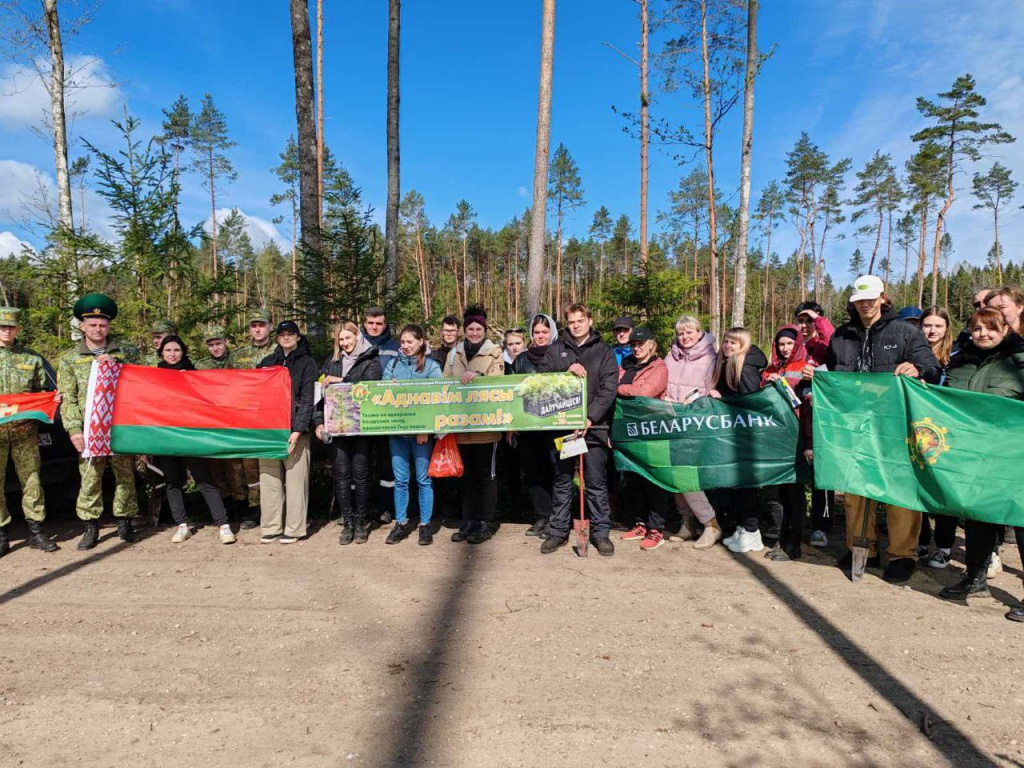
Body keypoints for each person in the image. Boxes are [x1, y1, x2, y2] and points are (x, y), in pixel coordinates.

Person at [818, 274, 941, 584]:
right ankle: (863, 547)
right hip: (855, 424)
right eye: (859, 298)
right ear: (852, 301)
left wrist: (917, 368)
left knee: (899, 489)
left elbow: (931, 366)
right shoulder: (842, 336)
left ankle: (902, 554)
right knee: (856, 488)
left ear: (884, 297)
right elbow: (831, 373)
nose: (866, 303)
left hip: (896, 423)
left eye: (871, 297)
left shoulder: (904, 331)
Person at [937, 308, 1024, 623]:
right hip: (973, 455)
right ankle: (974, 580)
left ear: (1004, 329)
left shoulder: (1019, 361)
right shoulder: (960, 362)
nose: (983, 334)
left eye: (990, 328)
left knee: (1020, 520)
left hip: (1012, 454)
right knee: (977, 517)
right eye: (976, 329)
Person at [57, 293, 141, 550]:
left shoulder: (127, 352)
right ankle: (90, 526)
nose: (98, 329)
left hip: (120, 425)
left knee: (125, 475)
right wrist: (73, 429)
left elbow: (143, 382)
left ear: (109, 327)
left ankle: (125, 521)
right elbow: (67, 398)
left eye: (102, 325)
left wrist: (119, 365)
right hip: (89, 429)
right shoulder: (69, 358)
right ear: (82, 326)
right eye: (92, 324)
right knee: (90, 476)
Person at [537, 303, 618, 556]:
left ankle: (601, 533)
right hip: (563, 428)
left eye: (580, 320)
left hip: (593, 429)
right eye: (571, 321)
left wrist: (590, 417)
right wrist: (565, 371)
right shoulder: (555, 350)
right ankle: (558, 531)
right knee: (562, 481)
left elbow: (609, 389)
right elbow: (541, 380)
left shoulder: (603, 351)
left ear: (589, 321)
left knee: (595, 483)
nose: (576, 325)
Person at [151, 336, 236, 545]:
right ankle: (181, 525)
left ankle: (223, 525)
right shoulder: (152, 377)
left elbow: (208, 400)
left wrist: (188, 380)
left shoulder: (195, 373)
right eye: (168, 350)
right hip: (166, 435)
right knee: (173, 481)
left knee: (203, 479)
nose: (172, 354)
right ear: (161, 352)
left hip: (191, 434)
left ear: (183, 352)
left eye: (177, 350)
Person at [314, 321, 382, 544]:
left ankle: (361, 522)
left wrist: (341, 381)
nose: (345, 344)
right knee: (342, 476)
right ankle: (348, 522)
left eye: (348, 338)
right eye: (341, 340)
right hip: (337, 429)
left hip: (361, 429)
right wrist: (318, 423)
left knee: (360, 476)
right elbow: (319, 395)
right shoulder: (332, 362)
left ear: (357, 336)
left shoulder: (371, 359)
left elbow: (370, 387)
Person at [443, 305, 505, 545]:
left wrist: (479, 379)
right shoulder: (453, 354)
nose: (475, 333)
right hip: (460, 429)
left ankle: (485, 522)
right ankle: (468, 521)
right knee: (465, 477)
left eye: (479, 329)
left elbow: (500, 384)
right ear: (464, 330)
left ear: (485, 330)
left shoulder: (494, 352)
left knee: (486, 477)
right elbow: (444, 382)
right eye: (470, 328)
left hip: (485, 429)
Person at [0, 306, 58, 556]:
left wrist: (54, 400)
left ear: (18, 329)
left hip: (25, 432)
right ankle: (2, 534)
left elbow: (42, 394)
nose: (6, 330)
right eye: (2, 326)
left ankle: (36, 531)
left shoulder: (32, 359)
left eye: (11, 326)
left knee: (32, 481)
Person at [661, 315, 722, 549]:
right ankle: (687, 523)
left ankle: (711, 523)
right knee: (675, 474)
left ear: (699, 333)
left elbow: (712, 389)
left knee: (687, 475)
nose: (685, 337)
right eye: (681, 333)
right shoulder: (671, 356)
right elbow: (663, 382)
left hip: (696, 423)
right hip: (672, 421)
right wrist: (663, 397)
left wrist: (697, 402)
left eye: (690, 332)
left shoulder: (710, 358)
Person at [382, 324, 443, 546]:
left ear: (421, 342)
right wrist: (390, 388)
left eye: (410, 342)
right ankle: (400, 523)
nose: (406, 346)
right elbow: (381, 393)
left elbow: (438, 399)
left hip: (421, 435)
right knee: (400, 480)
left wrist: (425, 429)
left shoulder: (431, 366)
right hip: (397, 432)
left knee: (423, 479)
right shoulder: (393, 364)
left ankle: (425, 526)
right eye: (403, 342)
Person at [257, 321, 317, 544]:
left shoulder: (307, 363)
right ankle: (271, 526)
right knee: (269, 480)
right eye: (282, 334)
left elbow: (309, 399)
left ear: (298, 336)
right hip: (268, 430)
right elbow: (255, 393)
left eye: (290, 334)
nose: (286, 337)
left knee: (295, 482)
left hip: (294, 430)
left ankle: (294, 528)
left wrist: (299, 429)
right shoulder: (266, 363)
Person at [710, 327, 768, 554]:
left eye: (733, 343)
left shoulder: (745, 368)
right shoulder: (727, 364)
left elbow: (750, 401)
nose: (727, 346)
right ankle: (744, 528)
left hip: (745, 436)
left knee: (745, 486)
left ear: (743, 345)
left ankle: (753, 532)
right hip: (733, 435)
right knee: (736, 485)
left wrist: (723, 398)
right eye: (725, 342)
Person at [616, 326, 671, 550]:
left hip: (651, 429)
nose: (637, 348)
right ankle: (640, 523)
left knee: (654, 480)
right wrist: (625, 387)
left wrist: (622, 389)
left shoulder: (659, 366)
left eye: (641, 343)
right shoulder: (626, 364)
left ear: (651, 343)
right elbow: (615, 383)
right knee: (633, 479)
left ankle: (657, 528)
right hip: (628, 428)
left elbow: (647, 390)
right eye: (634, 344)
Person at [760, 325, 809, 562]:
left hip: (797, 436)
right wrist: (767, 381)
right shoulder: (770, 369)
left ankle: (793, 545)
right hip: (774, 438)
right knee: (777, 492)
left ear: (797, 343)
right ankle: (780, 538)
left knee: (794, 492)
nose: (785, 348)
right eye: (781, 344)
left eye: (790, 343)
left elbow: (806, 403)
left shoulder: (805, 368)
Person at [510, 314, 558, 537]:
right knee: (533, 473)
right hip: (527, 426)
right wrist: (510, 425)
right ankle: (541, 516)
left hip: (555, 425)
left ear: (552, 333)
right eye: (537, 332)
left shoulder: (561, 354)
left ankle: (557, 519)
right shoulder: (521, 360)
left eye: (545, 332)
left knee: (556, 472)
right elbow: (509, 391)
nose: (541, 336)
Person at [228, 308, 277, 529]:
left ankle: (261, 508)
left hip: (268, 417)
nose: (257, 329)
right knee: (241, 465)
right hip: (241, 417)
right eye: (253, 325)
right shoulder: (237, 355)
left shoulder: (279, 350)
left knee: (262, 465)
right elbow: (227, 384)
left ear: (270, 327)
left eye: (262, 324)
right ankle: (244, 507)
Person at [918, 306, 958, 568]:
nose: (932, 331)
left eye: (937, 326)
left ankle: (944, 547)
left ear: (946, 329)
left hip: (946, 433)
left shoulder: (955, 358)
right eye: (927, 325)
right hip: (917, 430)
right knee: (918, 485)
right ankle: (920, 541)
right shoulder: (912, 355)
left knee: (944, 490)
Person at [795, 301, 835, 546]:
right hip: (799, 420)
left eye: (809, 320)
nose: (805, 325)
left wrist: (818, 319)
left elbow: (834, 347)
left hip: (823, 421)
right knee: (799, 476)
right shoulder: (796, 347)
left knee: (824, 478)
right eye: (801, 320)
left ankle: (823, 527)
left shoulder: (825, 345)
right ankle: (796, 522)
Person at [363, 307, 399, 525]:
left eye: (379, 323)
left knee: (388, 466)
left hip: (389, 418)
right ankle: (362, 509)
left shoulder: (395, 348)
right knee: (362, 465)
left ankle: (387, 509)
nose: (374, 327)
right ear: (364, 323)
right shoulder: (355, 346)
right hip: (362, 419)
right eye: (370, 323)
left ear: (385, 325)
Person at [430, 315, 461, 523]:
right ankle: (440, 511)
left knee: (457, 464)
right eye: (446, 330)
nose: (449, 334)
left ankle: (457, 511)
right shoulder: (433, 355)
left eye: (452, 330)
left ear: (458, 331)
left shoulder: (462, 353)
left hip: (460, 415)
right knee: (439, 463)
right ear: (441, 332)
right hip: (437, 416)